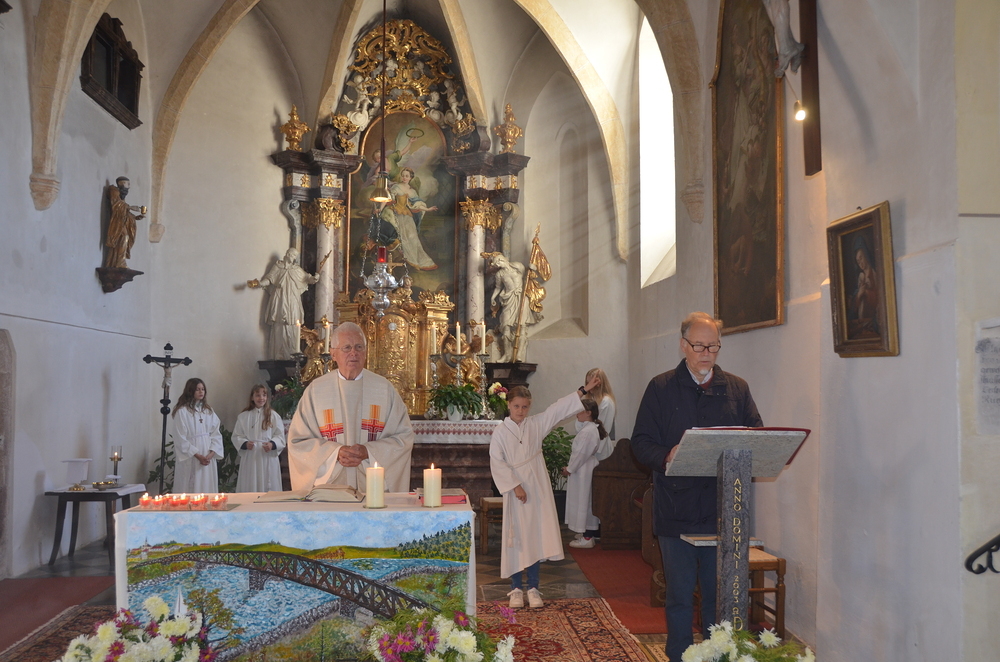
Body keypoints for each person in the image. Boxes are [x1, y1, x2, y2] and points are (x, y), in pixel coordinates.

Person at [630, 312, 763, 662]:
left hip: (725, 510)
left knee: (719, 597)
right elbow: (640, 443)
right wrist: (667, 454)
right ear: (683, 345)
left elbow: (756, 436)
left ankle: (717, 656)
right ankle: (680, 655)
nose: (707, 353)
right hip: (677, 510)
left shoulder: (737, 389)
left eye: (713, 346)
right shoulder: (661, 388)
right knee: (679, 595)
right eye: (699, 346)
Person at [489, 374, 600, 609]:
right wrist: (515, 485)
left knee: (535, 536)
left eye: (525, 407)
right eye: (517, 406)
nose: (520, 411)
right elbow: (497, 461)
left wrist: (583, 390)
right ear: (509, 405)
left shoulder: (536, 424)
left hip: (537, 488)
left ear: (529, 407)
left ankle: (533, 588)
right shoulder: (500, 432)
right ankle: (516, 588)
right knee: (517, 537)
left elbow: (558, 409)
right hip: (515, 490)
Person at [287, 322, 415, 492]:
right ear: (333, 354)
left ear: (366, 352)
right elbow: (298, 442)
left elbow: (403, 437)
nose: (353, 353)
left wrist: (368, 452)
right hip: (329, 490)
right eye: (346, 348)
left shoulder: (384, 389)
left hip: (373, 488)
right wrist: (335, 453)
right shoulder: (316, 391)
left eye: (359, 347)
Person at [247, 247, 321, 360]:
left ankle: (293, 351)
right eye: (292, 255)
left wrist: (315, 278)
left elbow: (308, 278)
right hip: (280, 298)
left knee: (293, 322)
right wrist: (260, 283)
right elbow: (270, 279)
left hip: (293, 299)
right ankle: (279, 353)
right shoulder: (278, 267)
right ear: (287, 254)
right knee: (279, 323)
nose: (293, 257)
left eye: (295, 256)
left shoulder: (296, 269)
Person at [561, 397, 607, 548]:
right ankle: (586, 533)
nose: (577, 414)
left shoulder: (588, 431)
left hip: (583, 470)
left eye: (579, 411)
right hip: (583, 468)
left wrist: (570, 468)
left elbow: (581, 454)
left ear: (588, 413)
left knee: (584, 502)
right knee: (583, 501)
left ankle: (587, 537)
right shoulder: (589, 429)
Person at [172, 378, 224, 493]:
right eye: (197, 389)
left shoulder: (208, 411)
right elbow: (180, 438)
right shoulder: (182, 411)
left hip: (207, 454)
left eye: (203, 389)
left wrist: (212, 453)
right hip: (192, 456)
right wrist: (197, 455)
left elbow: (216, 433)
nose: (201, 392)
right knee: (191, 486)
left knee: (207, 486)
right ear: (190, 391)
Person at [382, 167, 438, 270]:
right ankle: (408, 259)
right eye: (403, 175)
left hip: (407, 214)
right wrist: (380, 208)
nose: (404, 177)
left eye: (406, 176)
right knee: (403, 238)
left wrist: (428, 209)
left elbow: (415, 205)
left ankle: (419, 262)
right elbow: (388, 199)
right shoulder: (396, 187)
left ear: (410, 178)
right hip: (396, 213)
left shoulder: (412, 191)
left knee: (413, 238)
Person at [233, 384, 286, 493]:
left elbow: (280, 436)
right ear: (252, 397)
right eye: (258, 395)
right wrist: (245, 443)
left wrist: (272, 444)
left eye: (264, 395)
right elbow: (237, 435)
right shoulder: (243, 416)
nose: (261, 398)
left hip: (267, 455)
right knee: (250, 483)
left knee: (268, 483)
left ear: (267, 398)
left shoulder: (273, 416)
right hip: (251, 456)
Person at [104, 176, 145, 269]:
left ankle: (115, 261)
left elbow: (125, 212)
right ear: (122, 183)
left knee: (122, 239)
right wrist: (130, 207)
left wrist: (136, 217)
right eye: (128, 184)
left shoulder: (121, 197)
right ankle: (120, 262)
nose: (129, 186)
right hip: (117, 223)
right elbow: (116, 206)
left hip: (121, 222)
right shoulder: (114, 191)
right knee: (124, 237)